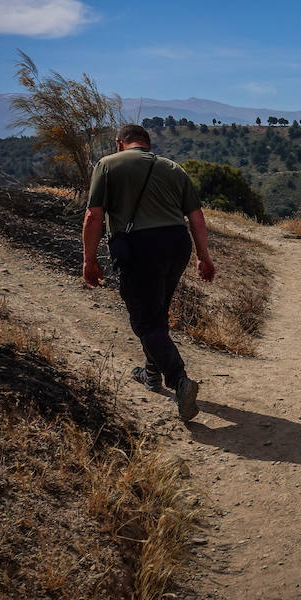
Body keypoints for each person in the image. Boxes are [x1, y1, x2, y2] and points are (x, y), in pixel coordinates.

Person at [82, 124, 216, 421]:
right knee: (157, 310)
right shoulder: (173, 169)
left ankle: (179, 380)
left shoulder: (107, 165)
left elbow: (93, 215)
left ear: (120, 144)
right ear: (147, 144)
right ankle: (151, 372)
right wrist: (203, 257)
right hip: (176, 244)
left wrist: (89, 259)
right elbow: (196, 217)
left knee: (144, 322)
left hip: (138, 246)